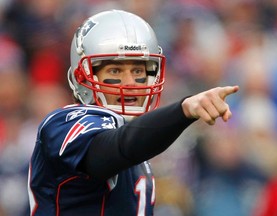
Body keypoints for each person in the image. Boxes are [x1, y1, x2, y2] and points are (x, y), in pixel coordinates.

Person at [27, 9, 239, 216]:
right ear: (82, 77)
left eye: (138, 71)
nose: (130, 83)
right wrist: (182, 111)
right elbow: (110, 150)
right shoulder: (62, 124)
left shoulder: (138, 144)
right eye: (115, 70)